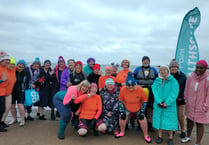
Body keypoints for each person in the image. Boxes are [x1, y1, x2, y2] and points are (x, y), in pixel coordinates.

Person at [116, 72, 152, 144]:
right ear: (126, 85)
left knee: (143, 120)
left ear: (135, 84)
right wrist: (122, 111)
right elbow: (120, 101)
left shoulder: (140, 89)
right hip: (127, 107)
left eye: (132, 85)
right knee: (122, 118)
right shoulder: (123, 89)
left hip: (138, 107)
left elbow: (144, 101)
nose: (130, 87)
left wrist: (142, 111)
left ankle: (146, 135)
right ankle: (122, 132)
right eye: (128, 85)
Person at [181, 60, 209, 145]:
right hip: (190, 104)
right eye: (197, 67)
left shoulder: (208, 79)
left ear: (205, 68)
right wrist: (186, 100)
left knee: (200, 124)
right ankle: (188, 136)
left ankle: (198, 142)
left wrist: (206, 106)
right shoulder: (190, 76)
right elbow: (186, 89)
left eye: (201, 68)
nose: (199, 69)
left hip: (202, 106)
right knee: (189, 121)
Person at [152, 65, 179, 145]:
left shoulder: (173, 81)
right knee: (159, 121)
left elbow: (174, 93)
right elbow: (155, 91)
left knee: (170, 122)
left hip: (169, 106)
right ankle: (160, 137)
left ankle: (170, 138)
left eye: (165, 70)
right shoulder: (157, 81)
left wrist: (166, 103)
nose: (163, 71)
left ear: (168, 71)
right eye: (161, 70)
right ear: (159, 71)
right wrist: (159, 102)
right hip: (158, 105)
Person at [133, 56, 158, 131]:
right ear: (142, 62)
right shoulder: (137, 69)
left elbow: (157, 80)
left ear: (149, 62)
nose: (145, 62)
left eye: (147, 60)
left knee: (150, 108)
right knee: (140, 107)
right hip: (140, 90)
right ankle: (140, 124)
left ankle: (150, 125)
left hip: (151, 91)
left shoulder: (154, 69)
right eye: (144, 60)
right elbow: (133, 79)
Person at [169, 59, 187, 138]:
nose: (173, 68)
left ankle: (183, 130)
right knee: (172, 116)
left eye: (175, 67)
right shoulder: (168, 76)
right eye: (172, 67)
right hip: (170, 101)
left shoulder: (183, 76)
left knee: (180, 116)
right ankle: (173, 129)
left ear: (177, 67)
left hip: (180, 100)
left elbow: (185, 88)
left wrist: (182, 97)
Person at [10, 59, 27, 127]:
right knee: (12, 106)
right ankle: (14, 119)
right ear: (17, 65)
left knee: (20, 106)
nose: (21, 66)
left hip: (21, 91)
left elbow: (29, 80)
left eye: (22, 65)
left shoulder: (25, 72)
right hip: (12, 91)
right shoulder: (13, 71)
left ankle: (22, 120)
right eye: (19, 64)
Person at [1, 58, 16, 128]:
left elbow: (21, 66)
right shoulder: (4, 69)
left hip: (9, 93)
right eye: (10, 64)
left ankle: (2, 121)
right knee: (2, 109)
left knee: (7, 108)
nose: (12, 66)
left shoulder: (14, 70)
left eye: (13, 64)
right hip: (2, 92)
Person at [0, 51, 10, 132]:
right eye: (6, 60)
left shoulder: (5, 68)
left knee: (2, 109)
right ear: (1, 60)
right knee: (1, 109)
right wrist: (1, 80)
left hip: (3, 92)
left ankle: (1, 124)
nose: (7, 61)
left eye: (8, 60)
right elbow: (2, 79)